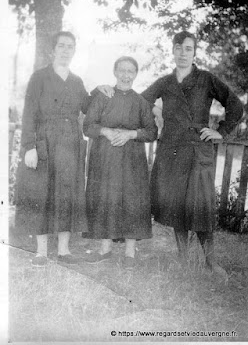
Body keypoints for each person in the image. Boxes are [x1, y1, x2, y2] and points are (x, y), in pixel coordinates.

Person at [141, 30, 243, 278]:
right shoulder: (165, 81)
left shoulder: (206, 79)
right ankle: (183, 258)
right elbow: (142, 100)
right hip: (172, 148)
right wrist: (157, 112)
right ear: (173, 51)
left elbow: (236, 105)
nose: (183, 53)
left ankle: (210, 262)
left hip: (198, 150)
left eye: (188, 48)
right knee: (177, 205)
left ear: (194, 52)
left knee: (200, 205)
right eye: (179, 48)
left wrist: (221, 131)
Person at [15, 31, 113, 267]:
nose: (66, 50)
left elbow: (87, 106)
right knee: (42, 193)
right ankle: (41, 252)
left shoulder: (76, 80)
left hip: (70, 142)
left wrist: (98, 90)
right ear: (53, 49)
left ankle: (64, 251)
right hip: (45, 141)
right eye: (61, 46)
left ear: (74, 51)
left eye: (70, 46)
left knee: (67, 194)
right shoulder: (39, 77)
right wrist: (29, 147)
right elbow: (29, 114)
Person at [83, 56, 158, 268]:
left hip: (132, 160)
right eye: (122, 71)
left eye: (130, 71)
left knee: (132, 200)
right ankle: (105, 249)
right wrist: (106, 131)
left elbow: (152, 131)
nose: (126, 75)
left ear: (135, 75)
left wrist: (131, 134)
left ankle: (129, 253)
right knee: (106, 197)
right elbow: (88, 126)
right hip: (104, 157)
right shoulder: (103, 97)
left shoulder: (141, 102)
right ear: (115, 72)